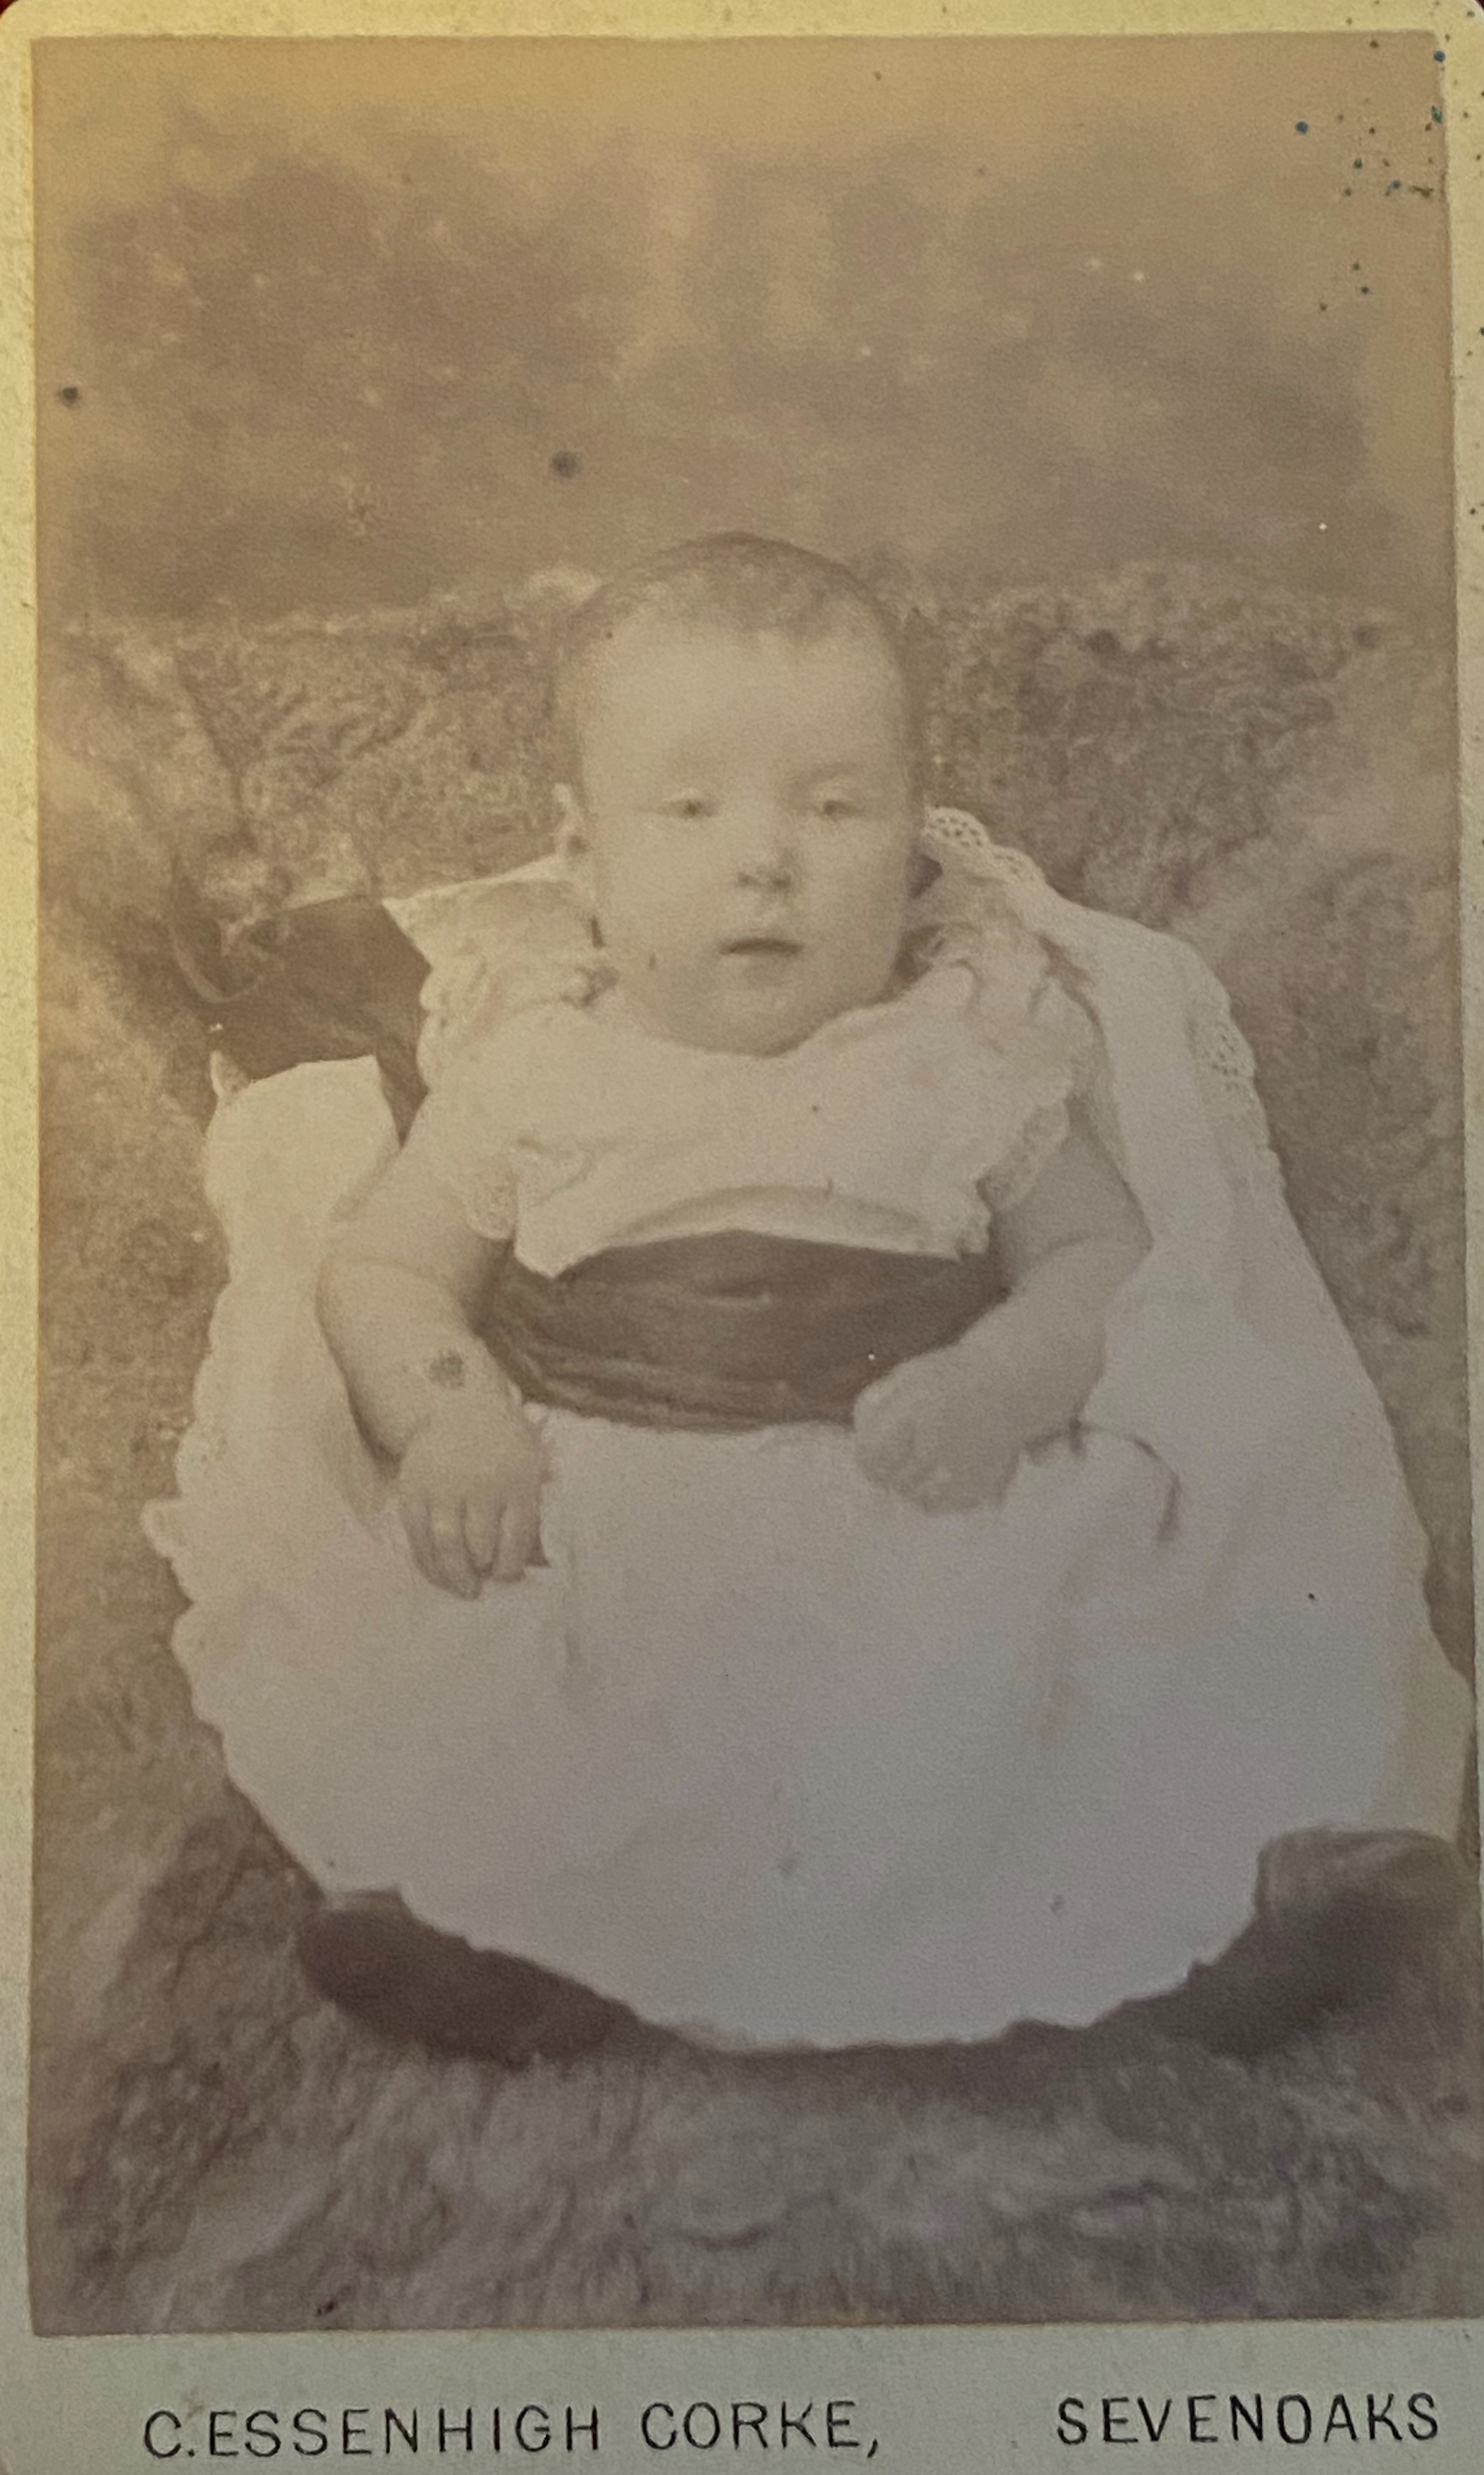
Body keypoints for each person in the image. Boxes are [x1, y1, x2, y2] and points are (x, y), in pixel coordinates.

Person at [149, 534, 1473, 2065]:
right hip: (624, 1509)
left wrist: (1005, 1378)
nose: (765, 858)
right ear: (581, 857)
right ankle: (503, 1942)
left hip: (921, 1497)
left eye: (834, 807)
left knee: (1067, 1681)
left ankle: (1214, 1933)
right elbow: (383, 1268)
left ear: (912, 849)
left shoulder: (960, 1059)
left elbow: (1105, 1260)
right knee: (519, 1703)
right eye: (691, 808)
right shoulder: (534, 1070)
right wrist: (450, 1414)